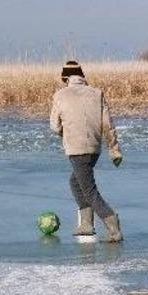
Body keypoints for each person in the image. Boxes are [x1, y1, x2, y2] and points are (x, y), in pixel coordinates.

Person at [50, 60, 124, 242]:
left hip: (76, 149)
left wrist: (65, 133)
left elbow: (54, 125)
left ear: (65, 78)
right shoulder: (96, 93)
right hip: (94, 148)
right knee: (76, 182)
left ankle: (112, 225)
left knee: (89, 190)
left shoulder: (60, 95)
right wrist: (114, 150)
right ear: (81, 76)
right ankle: (86, 223)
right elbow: (107, 124)